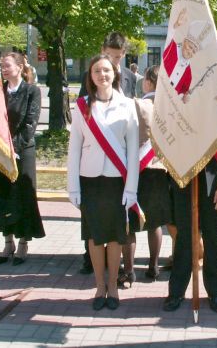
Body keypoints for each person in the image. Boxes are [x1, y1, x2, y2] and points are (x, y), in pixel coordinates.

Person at [67, 54, 139, 310]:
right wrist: (73, 186)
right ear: (91, 76)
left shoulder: (128, 105)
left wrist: (132, 188)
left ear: (115, 74)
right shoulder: (83, 105)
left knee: (116, 237)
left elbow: (132, 151)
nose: (102, 75)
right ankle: (99, 286)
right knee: (96, 238)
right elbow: (74, 147)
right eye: (97, 71)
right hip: (90, 181)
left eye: (107, 70)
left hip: (117, 183)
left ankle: (113, 288)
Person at [163, 115, 217, 314]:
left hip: (216, 180)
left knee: (213, 237)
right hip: (185, 175)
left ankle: (215, 292)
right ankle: (177, 291)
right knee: (184, 237)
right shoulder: (181, 91)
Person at [78, 32, 137, 275]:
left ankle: (125, 264)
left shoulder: (131, 78)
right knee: (94, 215)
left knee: (123, 214)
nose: (115, 61)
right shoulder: (92, 74)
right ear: (103, 50)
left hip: (122, 152)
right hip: (97, 152)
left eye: (120, 56)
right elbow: (85, 109)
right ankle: (90, 258)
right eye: (112, 55)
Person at [0, 52, 45, 265]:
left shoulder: (31, 91)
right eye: (2, 65)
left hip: (21, 151)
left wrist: (13, 148)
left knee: (22, 195)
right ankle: (7, 241)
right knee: (2, 194)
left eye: (8, 65)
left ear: (19, 67)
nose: (4, 68)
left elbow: (31, 122)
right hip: (0, 151)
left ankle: (23, 243)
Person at [127, 65, 172, 281]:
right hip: (159, 170)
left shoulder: (137, 104)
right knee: (155, 223)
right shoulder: (171, 107)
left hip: (137, 169)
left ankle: (129, 270)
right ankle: (153, 266)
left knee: (131, 223)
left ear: (147, 82)